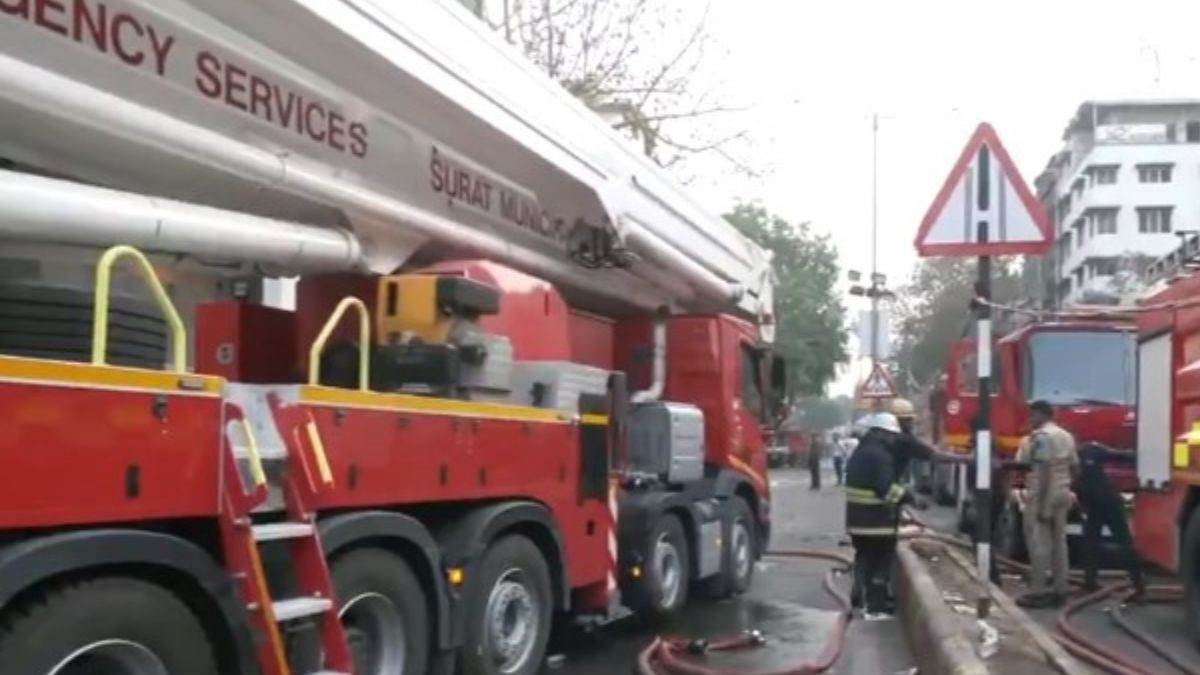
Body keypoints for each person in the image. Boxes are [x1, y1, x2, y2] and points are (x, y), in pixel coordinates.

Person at [844, 412, 909, 619]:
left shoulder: (860, 452)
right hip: (878, 522)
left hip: (856, 521)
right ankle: (875, 607)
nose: (893, 439)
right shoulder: (881, 456)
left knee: (863, 557)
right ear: (880, 433)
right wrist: (909, 497)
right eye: (890, 435)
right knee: (880, 564)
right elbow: (885, 489)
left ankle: (858, 595)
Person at [1016, 400, 1079, 609]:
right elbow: (1075, 467)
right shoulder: (1067, 436)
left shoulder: (1040, 438)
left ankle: (1038, 592)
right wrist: (1068, 488)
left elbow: (1041, 471)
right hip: (1063, 492)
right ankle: (1061, 589)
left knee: (1039, 545)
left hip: (1043, 494)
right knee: (1060, 543)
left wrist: (1043, 505)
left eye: (1032, 415)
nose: (1030, 419)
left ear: (1042, 414)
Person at [1076, 442, 1145, 596]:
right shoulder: (1070, 460)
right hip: (1095, 506)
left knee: (1124, 542)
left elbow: (1121, 455)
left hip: (1109, 503)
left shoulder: (1090, 450)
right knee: (1090, 544)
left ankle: (1139, 586)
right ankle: (1089, 583)